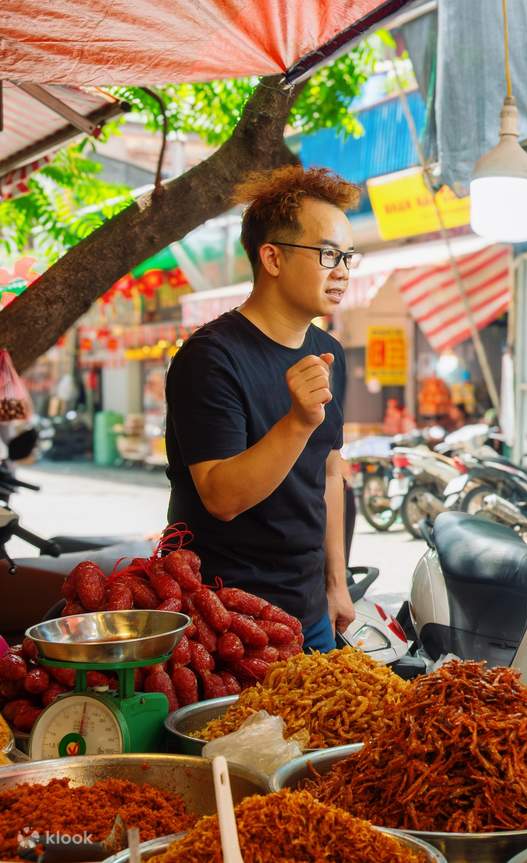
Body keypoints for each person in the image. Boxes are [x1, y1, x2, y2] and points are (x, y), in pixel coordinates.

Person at [165, 165, 360, 652]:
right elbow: (221, 497)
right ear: (272, 257)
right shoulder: (210, 358)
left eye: (347, 256)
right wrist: (297, 422)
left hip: (309, 607)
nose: (342, 271)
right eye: (328, 254)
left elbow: (329, 472)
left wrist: (336, 583)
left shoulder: (329, 351)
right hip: (222, 619)